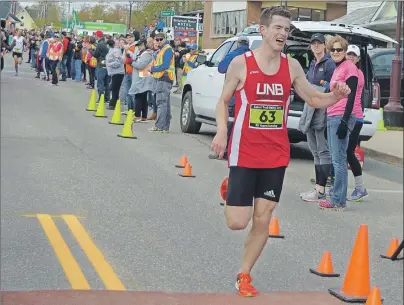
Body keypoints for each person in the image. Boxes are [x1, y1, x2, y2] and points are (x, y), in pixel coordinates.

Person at [210, 6, 350, 297]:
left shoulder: (292, 66)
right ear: (263, 30)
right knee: (237, 222)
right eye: (278, 28)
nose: (283, 33)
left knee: (263, 216)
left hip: (275, 154)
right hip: (245, 150)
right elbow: (223, 101)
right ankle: (231, 188)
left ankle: (244, 274)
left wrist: (334, 96)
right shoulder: (242, 64)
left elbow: (312, 97)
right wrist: (222, 130)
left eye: (287, 29)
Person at [319, 35, 359, 210]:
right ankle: (339, 198)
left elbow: (352, 95)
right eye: (333, 49)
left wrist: (344, 120)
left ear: (345, 50)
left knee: (338, 160)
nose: (336, 52)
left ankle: (337, 200)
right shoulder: (337, 68)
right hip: (332, 113)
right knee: (338, 158)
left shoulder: (349, 67)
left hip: (341, 115)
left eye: (339, 49)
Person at [298, 33, 336, 202]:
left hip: (323, 111)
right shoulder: (312, 63)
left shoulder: (329, 64)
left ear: (324, 46)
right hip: (310, 109)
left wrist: (319, 90)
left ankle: (321, 188)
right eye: (313, 43)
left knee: (323, 150)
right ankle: (318, 188)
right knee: (314, 151)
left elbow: (331, 87)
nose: (316, 46)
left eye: (319, 43)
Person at [209, 36, 251, 160]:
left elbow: (221, 68)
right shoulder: (253, 56)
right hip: (248, 97)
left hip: (233, 95)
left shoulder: (233, 55)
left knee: (229, 122)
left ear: (238, 44)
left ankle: (223, 150)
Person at [345, 44, 368, 201]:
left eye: (354, 55)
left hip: (355, 117)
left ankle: (360, 188)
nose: (351, 57)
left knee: (348, 152)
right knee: (344, 152)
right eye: (349, 54)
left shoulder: (357, 74)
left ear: (358, 58)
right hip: (349, 116)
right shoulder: (349, 71)